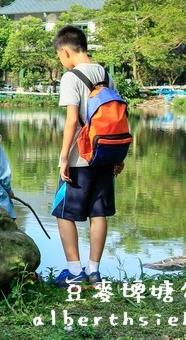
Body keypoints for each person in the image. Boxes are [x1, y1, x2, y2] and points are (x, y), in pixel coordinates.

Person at [51, 25, 124, 288]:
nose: (62, 61)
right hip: (104, 153)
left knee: (63, 212)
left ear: (66, 51)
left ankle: (74, 272)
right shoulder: (105, 73)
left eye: (60, 57)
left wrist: (63, 158)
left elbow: (72, 120)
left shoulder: (71, 78)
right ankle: (94, 273)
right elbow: (116, 116)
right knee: (98, 212)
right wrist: (118, 154)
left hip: (80, 158)